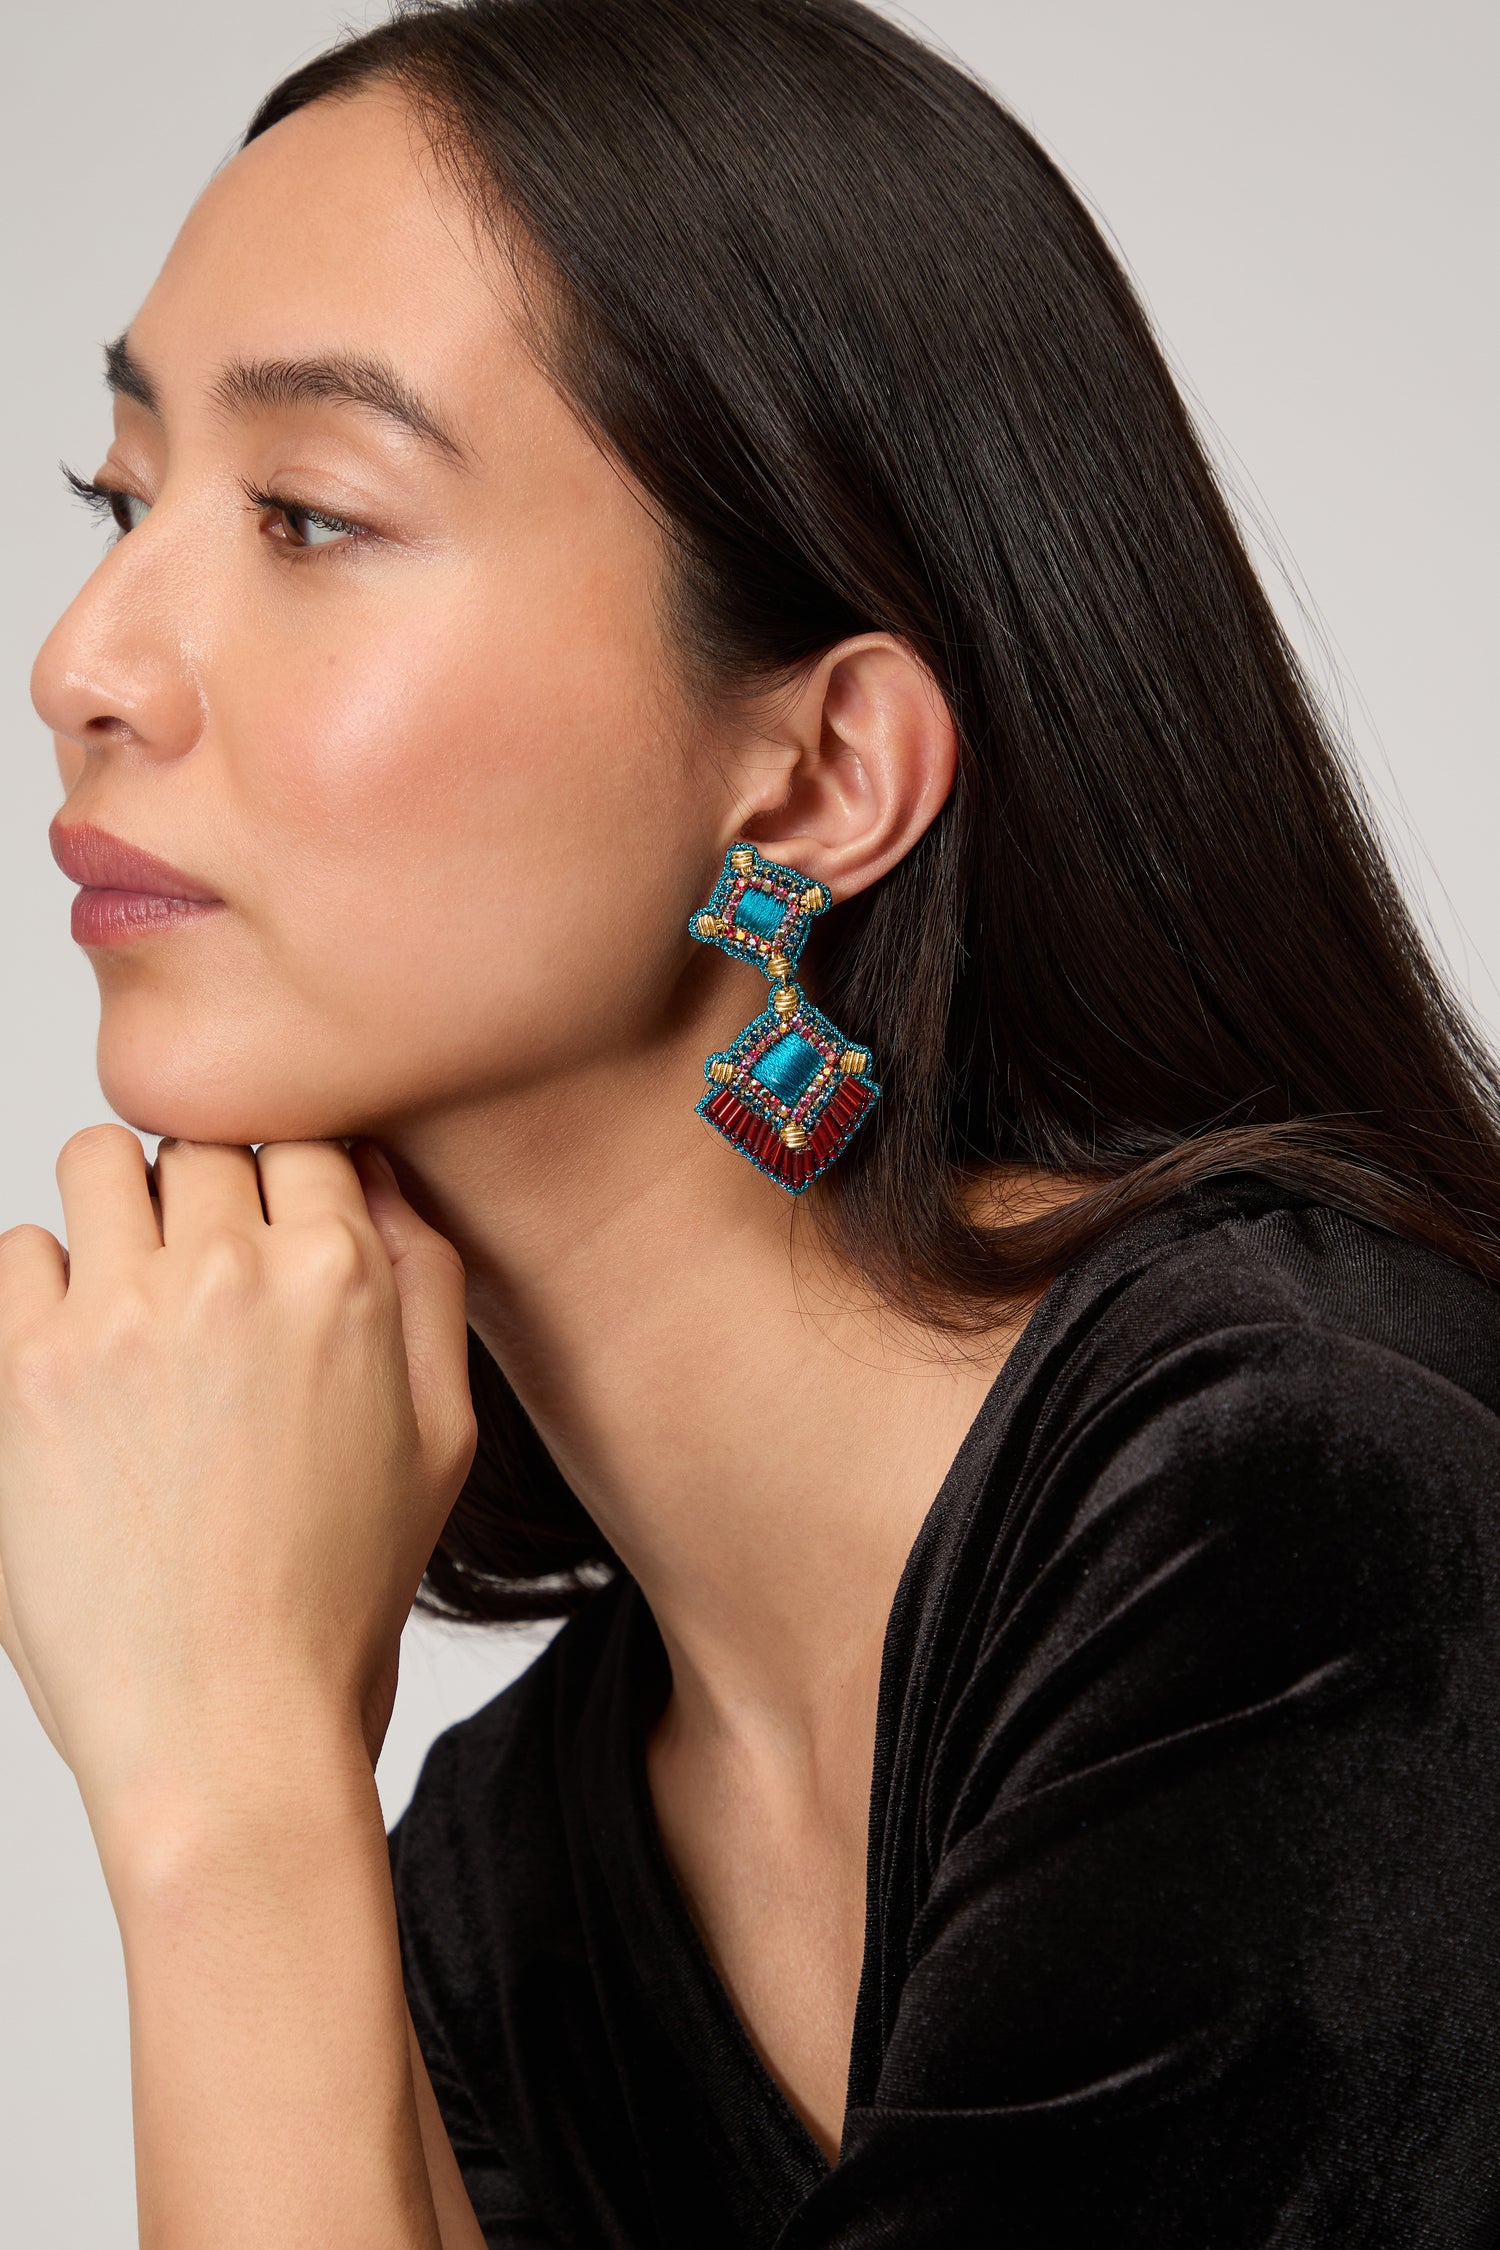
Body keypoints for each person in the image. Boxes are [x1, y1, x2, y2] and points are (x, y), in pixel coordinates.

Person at [4, 0, 1498, 2242]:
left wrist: (217, 1782)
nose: (85, 661)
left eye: (308, 514)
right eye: (124, 501)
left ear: (813, 780)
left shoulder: (1309, 1509)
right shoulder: (509, 1893)